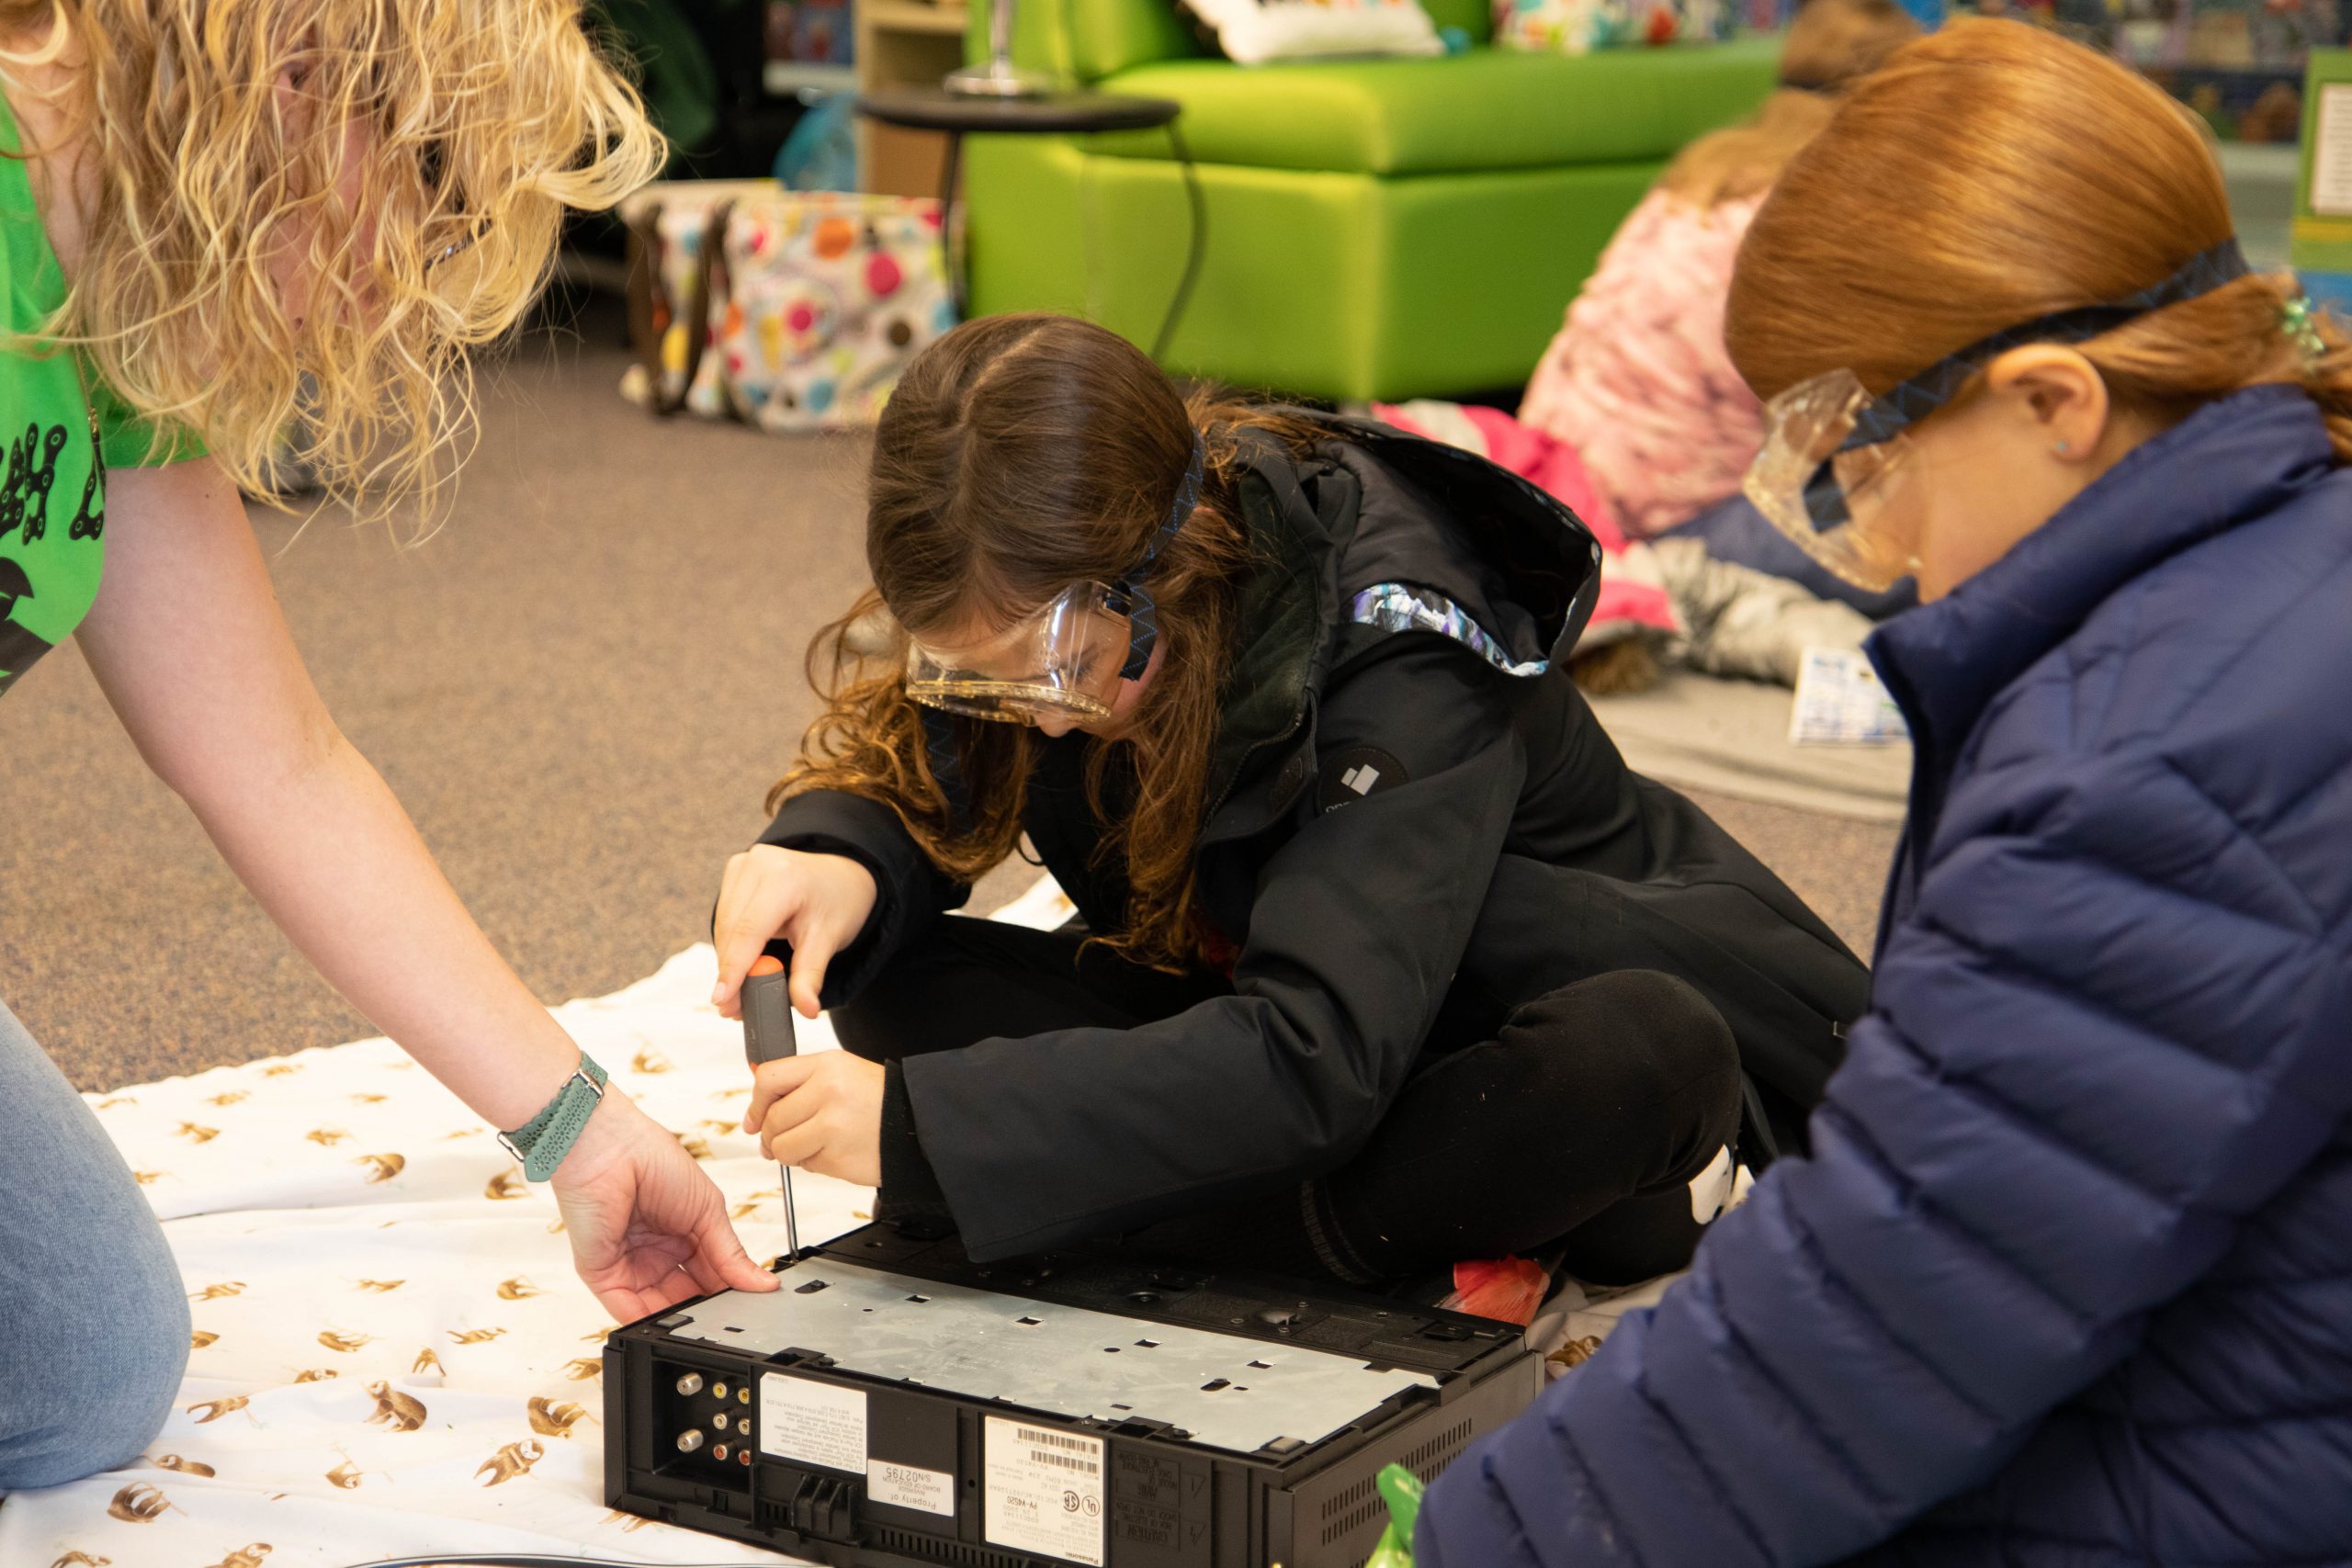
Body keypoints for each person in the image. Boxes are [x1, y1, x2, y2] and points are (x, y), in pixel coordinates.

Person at [1419, 19, 2352, 1565]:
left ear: (2055, 402)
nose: (1881, 541)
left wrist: (1488, 1535)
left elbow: (1878, 1320)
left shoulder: (2151, 765)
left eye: (1870, 459)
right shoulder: (2274, 577)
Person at [0, 0, 775, 1494]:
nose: (399, 288)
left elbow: (278, 761)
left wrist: (583, 1126)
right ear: (294, 90)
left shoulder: (112, 290)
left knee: (87, 1355)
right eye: (431, 201)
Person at [711, 312, 1869, 1296]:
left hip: (1491, 1022)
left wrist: (930, 1140)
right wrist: (839, 850)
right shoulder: (1061, 605)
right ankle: (1324, 1221)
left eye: (1048, 669)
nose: (1035, 716)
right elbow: (932, 765)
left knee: (1635, 1060)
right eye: (976, 677)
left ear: (1169, 559)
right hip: (1289, 1001)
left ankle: (1266, 1223)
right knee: (891, 976)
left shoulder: (1406, 653)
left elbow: (1317, 1056)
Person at [1515, 0, 1917, 546]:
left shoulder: (1710, 166)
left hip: (1550, 471)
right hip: (1664, 519)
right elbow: (1839, 416)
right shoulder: (1821, 206)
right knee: (1912, 524)